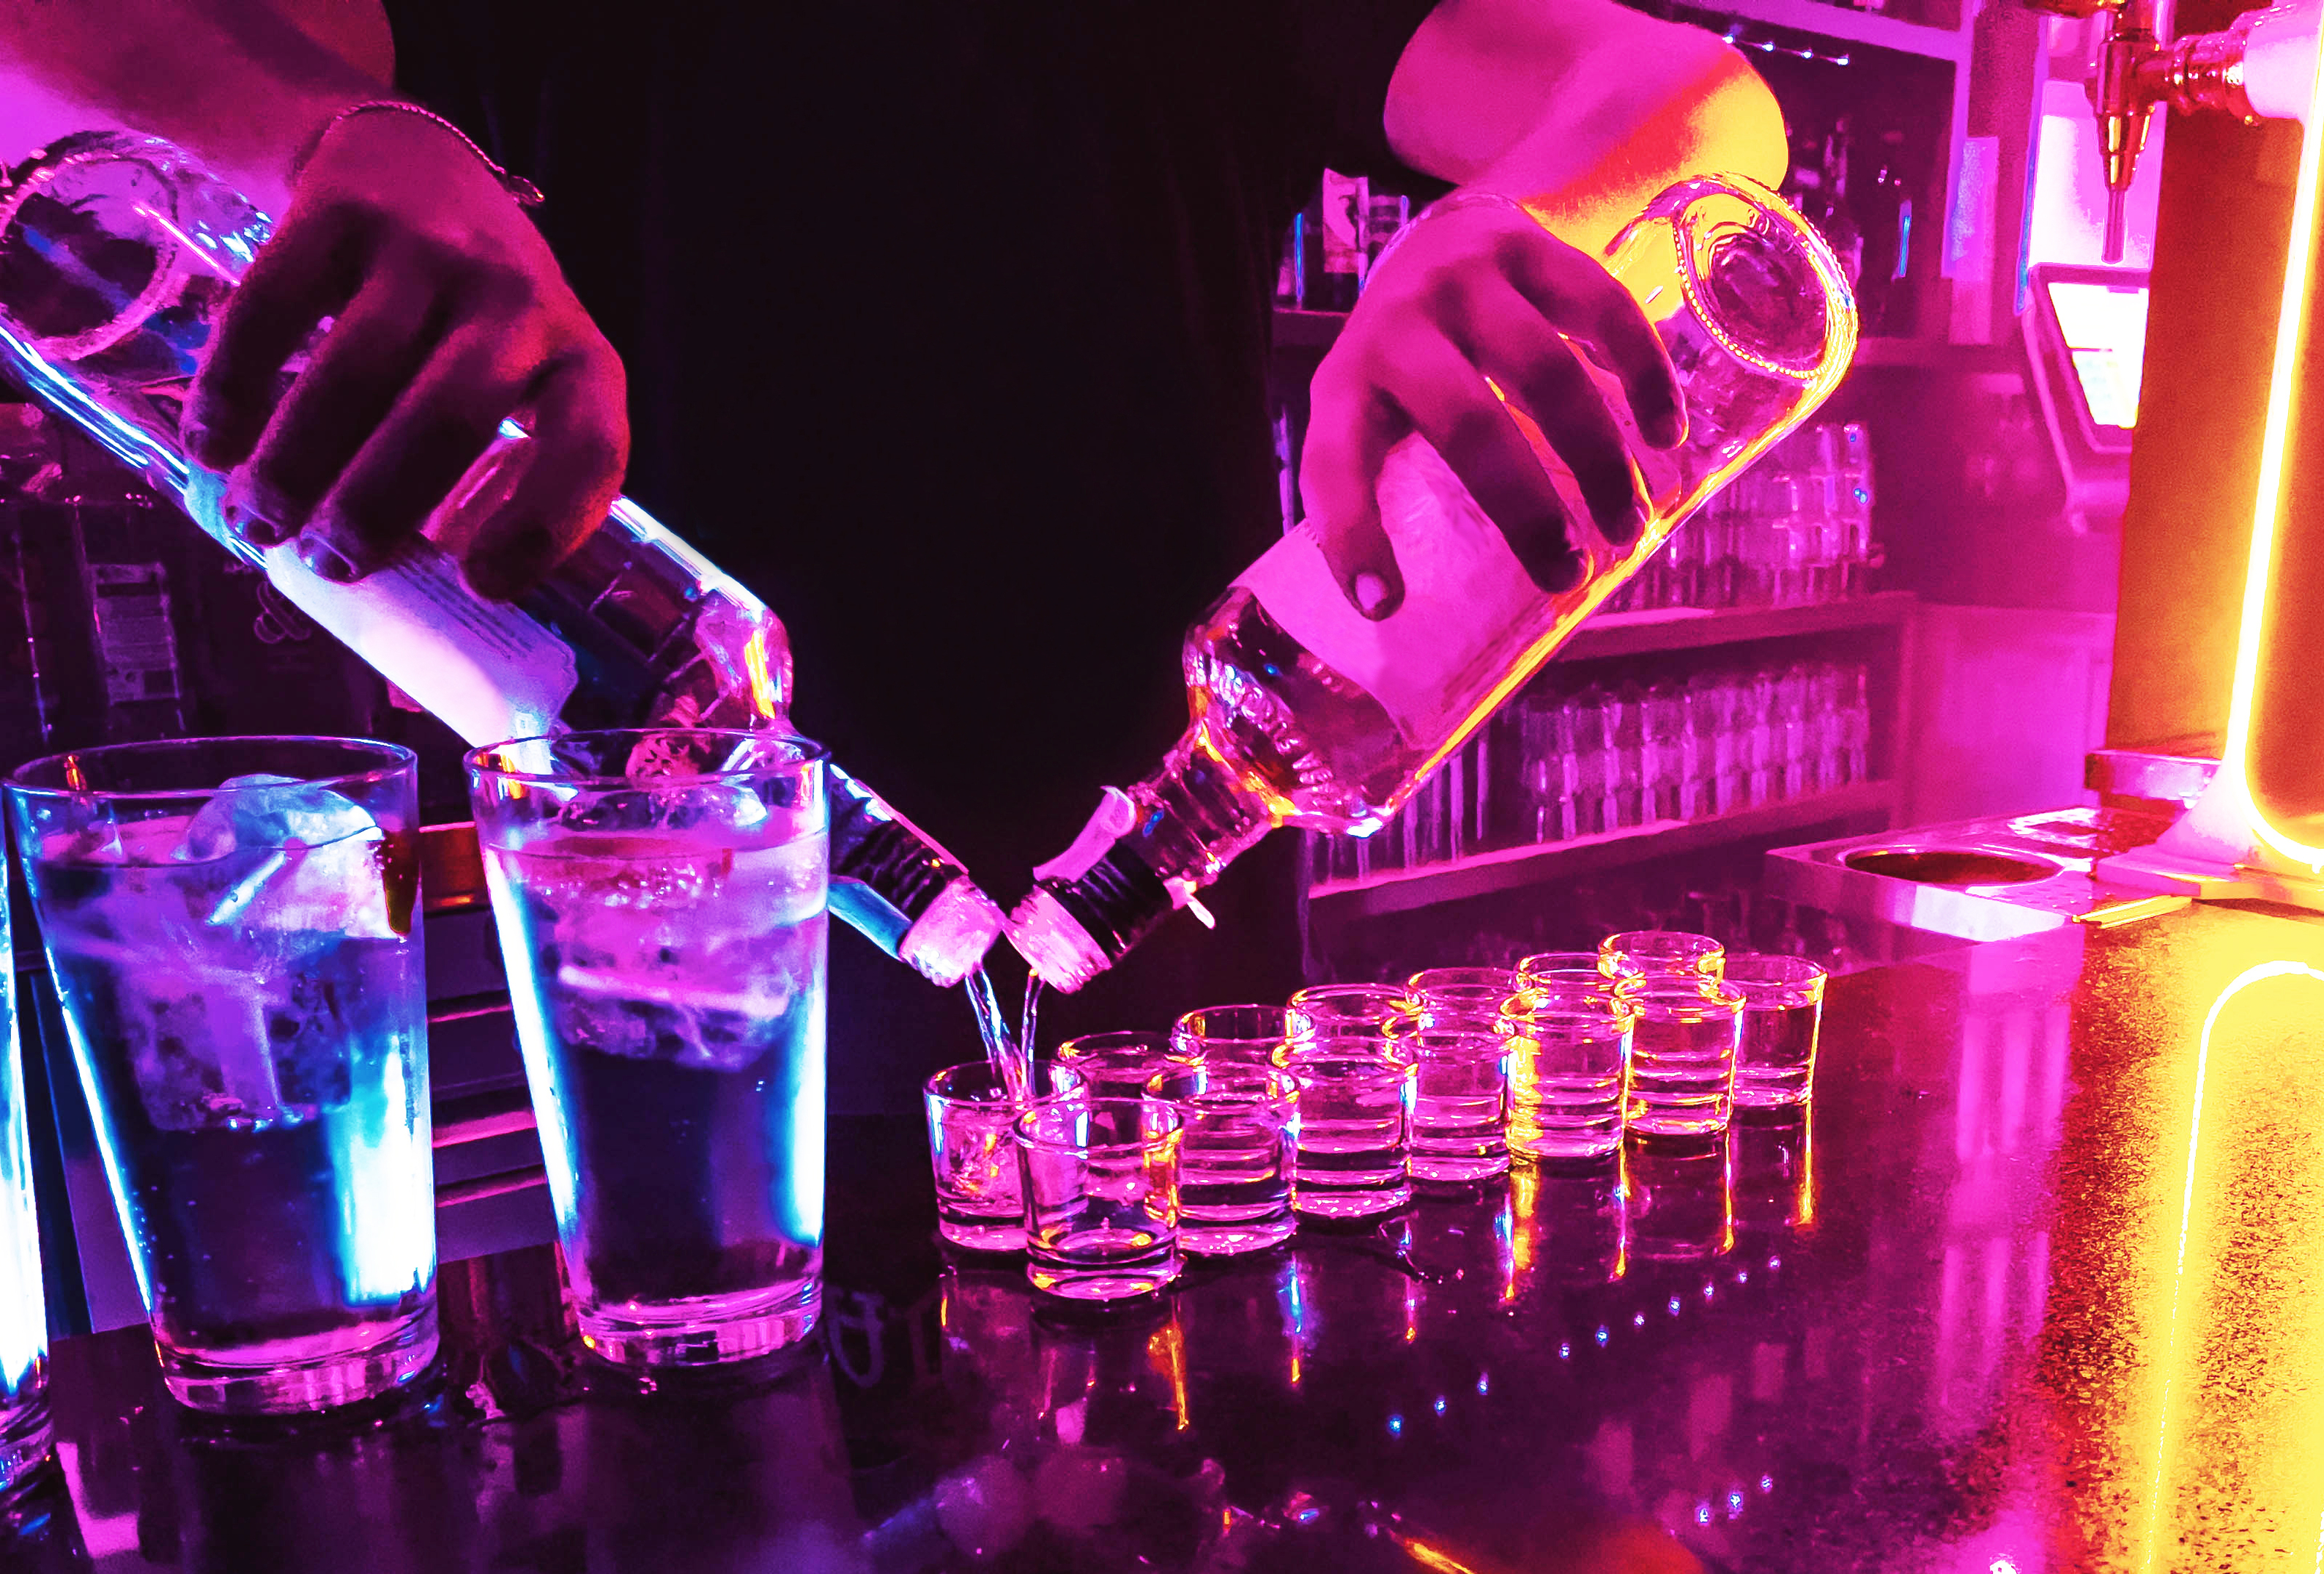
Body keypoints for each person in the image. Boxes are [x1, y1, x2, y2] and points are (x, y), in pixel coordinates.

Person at [0, 0, 1785, 1099]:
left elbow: (1693, 100)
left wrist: (1530, 215)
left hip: (1177, 983)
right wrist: (328, 130)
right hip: (678, 976)